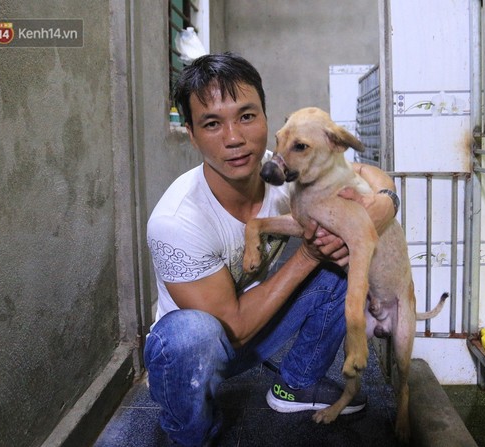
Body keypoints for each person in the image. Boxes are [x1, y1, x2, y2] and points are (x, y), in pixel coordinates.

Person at [144, 52, 398, 447]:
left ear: (267, 118)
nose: (234, 138)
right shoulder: (177, 220)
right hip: (201, 352)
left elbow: (365, 171)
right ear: (192, 135)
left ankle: (297, 383)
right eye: (212, 124)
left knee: (345, 255)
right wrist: (310, 254)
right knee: (188, 333)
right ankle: (189, 429)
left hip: (264, 324)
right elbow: (234, 327)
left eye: (246, 116)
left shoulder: (281, 168)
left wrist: (384, 202)